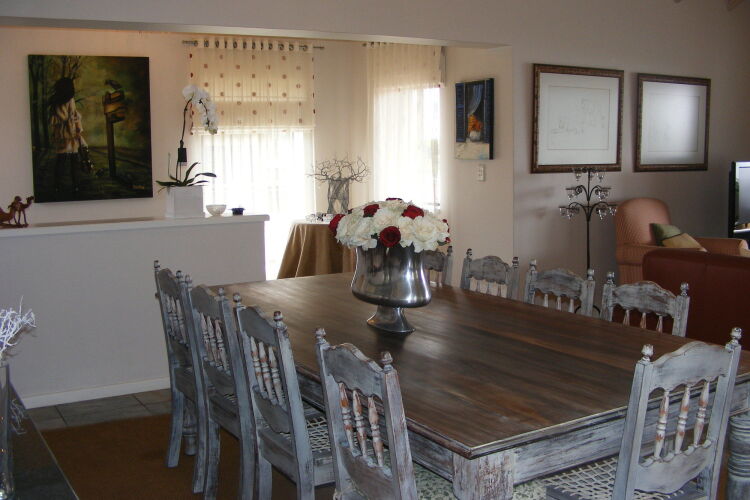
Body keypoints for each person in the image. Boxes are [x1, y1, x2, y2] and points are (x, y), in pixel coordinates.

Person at [49, 77, 90, 197]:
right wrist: (78, 130)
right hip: (70, 134)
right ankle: (75, 186)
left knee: (61, 161)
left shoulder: (55, 101)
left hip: (62, 135)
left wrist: (56, 133)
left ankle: (57, 186)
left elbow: (56, 120)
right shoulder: (69, 100)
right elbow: (72, 116)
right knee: (73, 161)